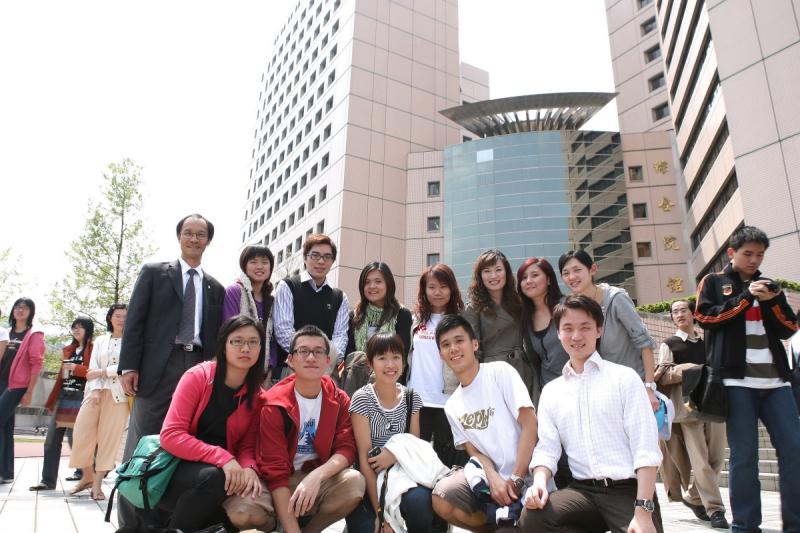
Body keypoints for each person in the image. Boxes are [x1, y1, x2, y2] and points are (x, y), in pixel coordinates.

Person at [520, 294, 664, 533]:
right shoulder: (552, 391)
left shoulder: (624, 378)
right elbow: (547, 449)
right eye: (568, 328)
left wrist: (643, 511)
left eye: (585, 327)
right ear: (558, 333)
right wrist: (539, 483)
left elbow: (646, 449)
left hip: (628, 491)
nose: (576, 336)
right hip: (582, 492)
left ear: (599, 330)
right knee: (534, 517)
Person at [117, 213, 225, 529]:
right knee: (141, 443)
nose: (194, 239)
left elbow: (215, 335)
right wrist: (129, 365)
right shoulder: (154, 273)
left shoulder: (215, 287)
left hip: (197, 368)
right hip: (156, 369)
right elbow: (135, 321)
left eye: (201, 234)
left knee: (183, 441)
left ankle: (163, 520)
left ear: (208, 241)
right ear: (179, 237)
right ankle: (131, 524)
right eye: (188, 233)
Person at [694, 225, 799, 532]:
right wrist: (744, 298)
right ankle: (745, 526)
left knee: (794, 449)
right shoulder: (713, 282)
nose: (754, 260)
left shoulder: (770, 286)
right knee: (744, 456)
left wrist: (771, 300)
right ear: (732, 253)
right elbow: (705, 317)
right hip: (736, 383)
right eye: (748, 254)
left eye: (760, 255)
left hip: (777, 382)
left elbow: (789, 328)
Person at [225, 325, 365, 532]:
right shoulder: (274, 403)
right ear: (290, 360)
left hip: (314, 477)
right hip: (273, 482)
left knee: (354, 484)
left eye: (318, 352)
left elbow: (346, 448)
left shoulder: (339, 398)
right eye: (303, 351)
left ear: (328, 361)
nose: (311, 357)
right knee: (241, 512)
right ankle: (277, 526)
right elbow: (275, 471)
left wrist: (317, 476)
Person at [155, 315, 266, 532]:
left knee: (241, 493)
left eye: (253, 342)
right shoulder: (198, 376)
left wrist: (249, 467)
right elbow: (171, 435)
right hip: (178, 466)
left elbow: (247, 445)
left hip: (223, 473)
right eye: (237, 341)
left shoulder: (258, 396)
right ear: (223, 346)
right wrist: (223, 457)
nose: (246, 348)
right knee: (216, 478)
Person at [431, 314, 538, 531]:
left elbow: (530, 425)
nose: (453, 348)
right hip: (492, 485)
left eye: (459, 340)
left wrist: (516, 478)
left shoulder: (500, 372)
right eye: (446, 345)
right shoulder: (452, 405)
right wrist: (494, 478)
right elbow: (475, 453)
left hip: (528, 477)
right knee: (442, 497)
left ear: (474, 344)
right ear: (441, 354)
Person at [345, 332, 432, 533]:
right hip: (369, 482)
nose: (390, 364)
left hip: (402, 478)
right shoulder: (362, 399)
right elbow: (364, 458)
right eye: (382, 358)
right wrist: (381, 512)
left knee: (420, 503)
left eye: (396, 357)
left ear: (404, 361)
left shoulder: (411, 397)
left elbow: (413, 448)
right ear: (370, 364)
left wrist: (393, 455)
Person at [655, 299, 727, 528]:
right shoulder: (669, 344)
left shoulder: (707, 342)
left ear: (693, 313)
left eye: (683, 310)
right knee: (701, 461)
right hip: (688, 409)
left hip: (713, 405)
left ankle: (693, 496)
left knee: (717, 458)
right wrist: (688, 370)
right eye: (674, 311)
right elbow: (663, 375)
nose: (679, 314)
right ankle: (715, 509)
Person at [558, 249, 659, 410]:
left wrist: (649, 388)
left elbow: (645, 343)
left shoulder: (616, 299)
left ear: (592, 269)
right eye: (566, 273)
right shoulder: (575, 307)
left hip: (632, 388)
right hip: (600, 393)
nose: (571, 277)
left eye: (577, 270)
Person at [406, 263, 466, 468]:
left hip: (447, 399)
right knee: (418, 459)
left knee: (445, 460)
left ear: (452, 288)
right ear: (424, 290)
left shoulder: (460, 319)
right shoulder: (416, 319)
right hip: (418, 399)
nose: (437, 292)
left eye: (443, 286)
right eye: (431, 287)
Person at [67, 304, 129, 500]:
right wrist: (94, 389)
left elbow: (128, 366)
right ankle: (87, 475)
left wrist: (103, 372)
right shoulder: (101, 340)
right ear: (110, 318)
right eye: (118, 315)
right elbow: (91, 368)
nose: (121, 319)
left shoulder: (133, 340)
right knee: (81, 434)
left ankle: (97, 485)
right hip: (95, 393)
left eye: (125, 316)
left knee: (108, 440)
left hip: (119, 396)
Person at [29, 316, 94, 491]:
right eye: (74, 327)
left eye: (80, 327)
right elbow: (60, 379)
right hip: (64, 398)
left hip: (83, 398)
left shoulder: (94, 349)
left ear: (88, 330)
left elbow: (95, 372)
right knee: (51, 440)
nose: (76, 330)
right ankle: (47, 481)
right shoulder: (68, 350)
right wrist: (52, 401)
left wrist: (76, 368)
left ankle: (85, 473)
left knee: (78, 440)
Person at [273, 234, 350, 378]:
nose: (321, 261)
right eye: (315, 255)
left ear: (332, 261)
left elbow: (340, 336)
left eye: (327, 257)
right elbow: (283, 331)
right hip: (291, 370)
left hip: (326, 372)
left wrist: (325, 362)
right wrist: (309, 358)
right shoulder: (288, 286)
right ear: (305, 257)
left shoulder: (340, 297)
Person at [463, 250, 532, 389]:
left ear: (506, 272)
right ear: (480, 276)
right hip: (492, 373)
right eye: (487, 271)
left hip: (522, 370)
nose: (493, 276)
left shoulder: (519, 301)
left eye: (498, 270)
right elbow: (472, 350)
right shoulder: (473, 308)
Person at [0, 298, 45, 484]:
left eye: (25, 308)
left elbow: (36, 364)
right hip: (2, 383)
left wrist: (29, 391)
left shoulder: (34, 334)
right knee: (6, 427)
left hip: (17, 385)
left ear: (30, 312)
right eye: (17, 307)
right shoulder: (6, 332)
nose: (20, 310)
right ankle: (6, 473)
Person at [516, 257, 567, 406]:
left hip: (577, 387)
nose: (529, 281)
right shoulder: (525, 318)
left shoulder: (567, 307)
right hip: (548, 395)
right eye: (524, 278)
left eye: (535, 275)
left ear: (549, 279)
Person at [222, 244, 276, 383]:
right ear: (244, 265)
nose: (260, 267)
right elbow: (231, 331)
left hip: (263, 373)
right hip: (237, 368)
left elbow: (272, 339)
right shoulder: (234, 292)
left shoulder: (271, 300)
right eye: (253, 262)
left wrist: (270, 369)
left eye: (265, 262)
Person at [346, 262, 413, 359]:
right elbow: (349, 352)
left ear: (388, 284)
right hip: (359, 368)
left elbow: (402, 353)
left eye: (378, 281)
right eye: (367, 282)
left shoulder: (402, 314)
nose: (372, 286)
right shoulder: (355, 315)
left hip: (391, 368)